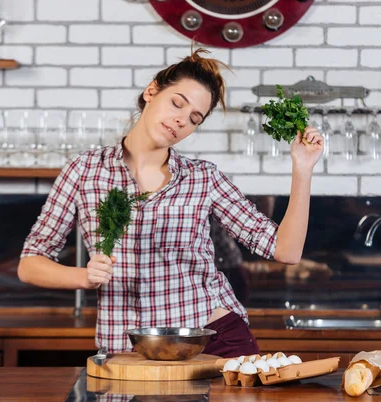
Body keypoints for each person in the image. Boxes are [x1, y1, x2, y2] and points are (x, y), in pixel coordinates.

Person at [17, 47, 324, 358]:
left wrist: (302, 168)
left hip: (212, 343)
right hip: (128, 353)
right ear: (152, 91)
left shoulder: (203, 178)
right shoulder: (84, 171)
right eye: (177, 103)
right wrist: (83, 276)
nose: (181, 120)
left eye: (193, 118)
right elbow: (30, 263)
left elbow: (286, 250)